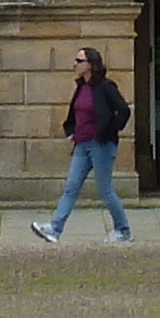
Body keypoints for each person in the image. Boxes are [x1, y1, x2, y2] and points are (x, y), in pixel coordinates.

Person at [31, 44, 133, 244]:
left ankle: (123, 230)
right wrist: (71, 131)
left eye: (79, 61)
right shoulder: (81, 87)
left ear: (91, 65)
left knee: (105, 190)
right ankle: (55, 229)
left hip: (100, 145)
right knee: (71, 186)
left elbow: (123, 111)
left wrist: (108, 131)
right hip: (82, 144)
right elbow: (74, 113)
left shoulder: (105, 87)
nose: (75, 64)